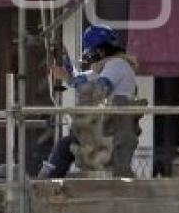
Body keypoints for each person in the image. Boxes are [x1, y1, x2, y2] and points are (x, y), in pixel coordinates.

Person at [40, 25, 142, 179]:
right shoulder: (109, 65)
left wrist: (64, 76)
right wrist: (64, 57)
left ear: (100, 50)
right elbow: (77, 80)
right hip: (109, 125)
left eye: (91, 51)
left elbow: (96, 91)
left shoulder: (117, 65)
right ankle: (49, 179)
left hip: (113, 129)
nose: (89, 55)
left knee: (66, 145)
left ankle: (46, 182)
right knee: (68, 143)